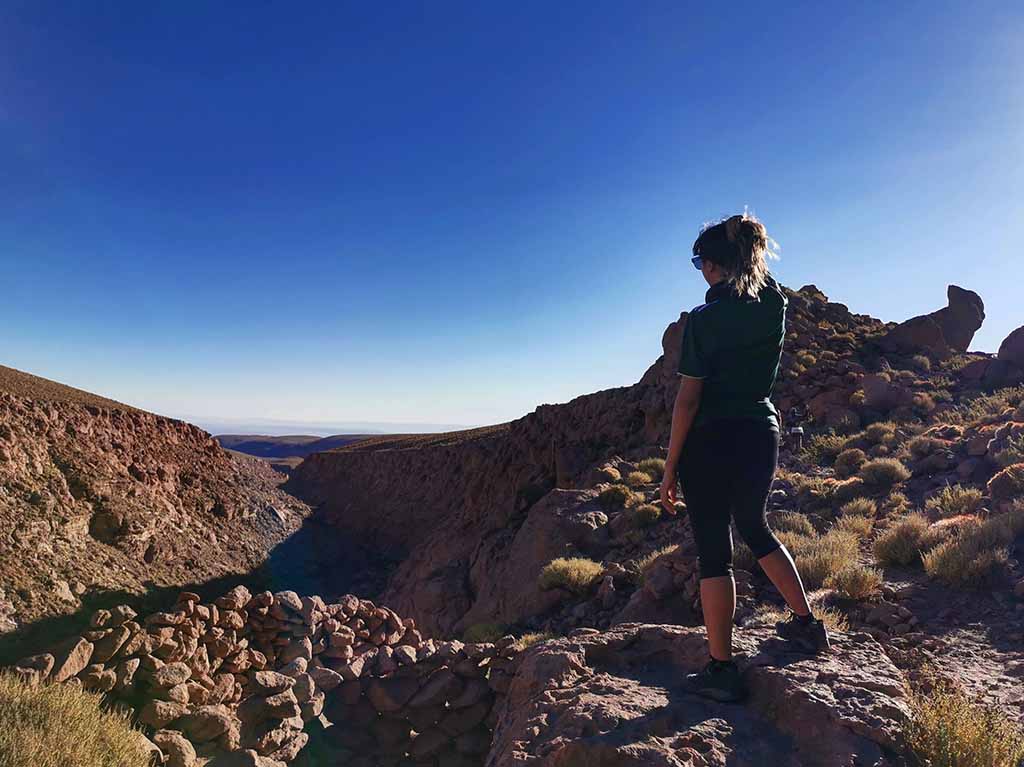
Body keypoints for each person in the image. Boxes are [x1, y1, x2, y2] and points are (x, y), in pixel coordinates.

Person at [659, 212, 830, 704]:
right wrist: (741, 238)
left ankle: (722, 669)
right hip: (760, 431)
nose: (699, 271)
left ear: (714, 265)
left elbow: (688, 400)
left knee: (714, 550)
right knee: (755, 526)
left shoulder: (704, 322)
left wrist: (670, 467)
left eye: (700, 262)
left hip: (709, 441)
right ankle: (806, 625)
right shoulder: (774, 303)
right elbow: (762, 277)